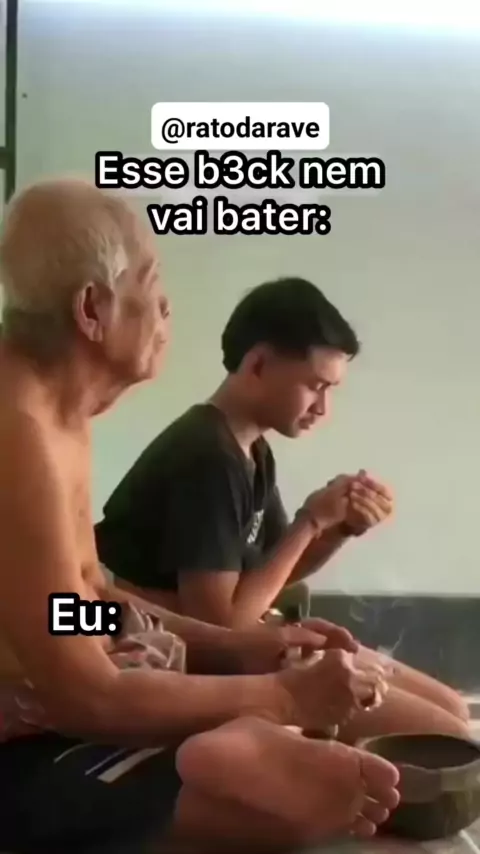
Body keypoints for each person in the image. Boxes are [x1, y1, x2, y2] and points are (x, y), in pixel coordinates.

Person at [0, 177, 402, 854]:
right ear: (92, 309)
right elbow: (83, 695)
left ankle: (217, 749)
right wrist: (283, 695)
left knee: (226, 725)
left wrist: (225, 645)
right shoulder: (17, 435)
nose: (167, 307)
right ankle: (212, 757)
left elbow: (78, 599)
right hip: (20, 738)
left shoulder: (58, 414)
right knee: (273, 819)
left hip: (54, 697)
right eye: (151, 284)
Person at [95, 277, 470, 743]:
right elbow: (224, 629)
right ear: (258, 364)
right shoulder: (207, 456)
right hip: (205, 663)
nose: (322, 408)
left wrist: (339, 528)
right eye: (316, 386)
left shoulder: (251, 451)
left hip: (235, 645)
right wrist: (310, 521)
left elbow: (271, 577)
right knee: (450, 737)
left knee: (455, 709)